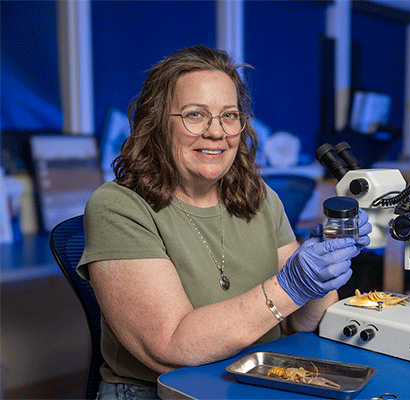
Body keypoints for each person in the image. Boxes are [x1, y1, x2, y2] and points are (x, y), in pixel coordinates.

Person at [77, 44, 371, 399]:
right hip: (162, 391)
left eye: (229, 115)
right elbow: (169, 349)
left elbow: (303, 323)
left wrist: (321, 274)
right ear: (156, 124)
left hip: (259, 380)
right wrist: (289, 286)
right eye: (195, 114)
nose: (217, 132)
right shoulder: (119, 207)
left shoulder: (259, 197)